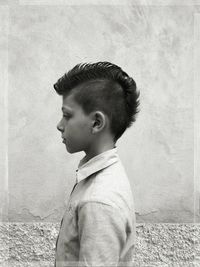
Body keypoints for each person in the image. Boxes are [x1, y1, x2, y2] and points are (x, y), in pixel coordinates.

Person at [54, 61, 140, 267]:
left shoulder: (99, 201)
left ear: (96, 123)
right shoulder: (97, 178)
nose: (59, 125)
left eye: (67, 115)